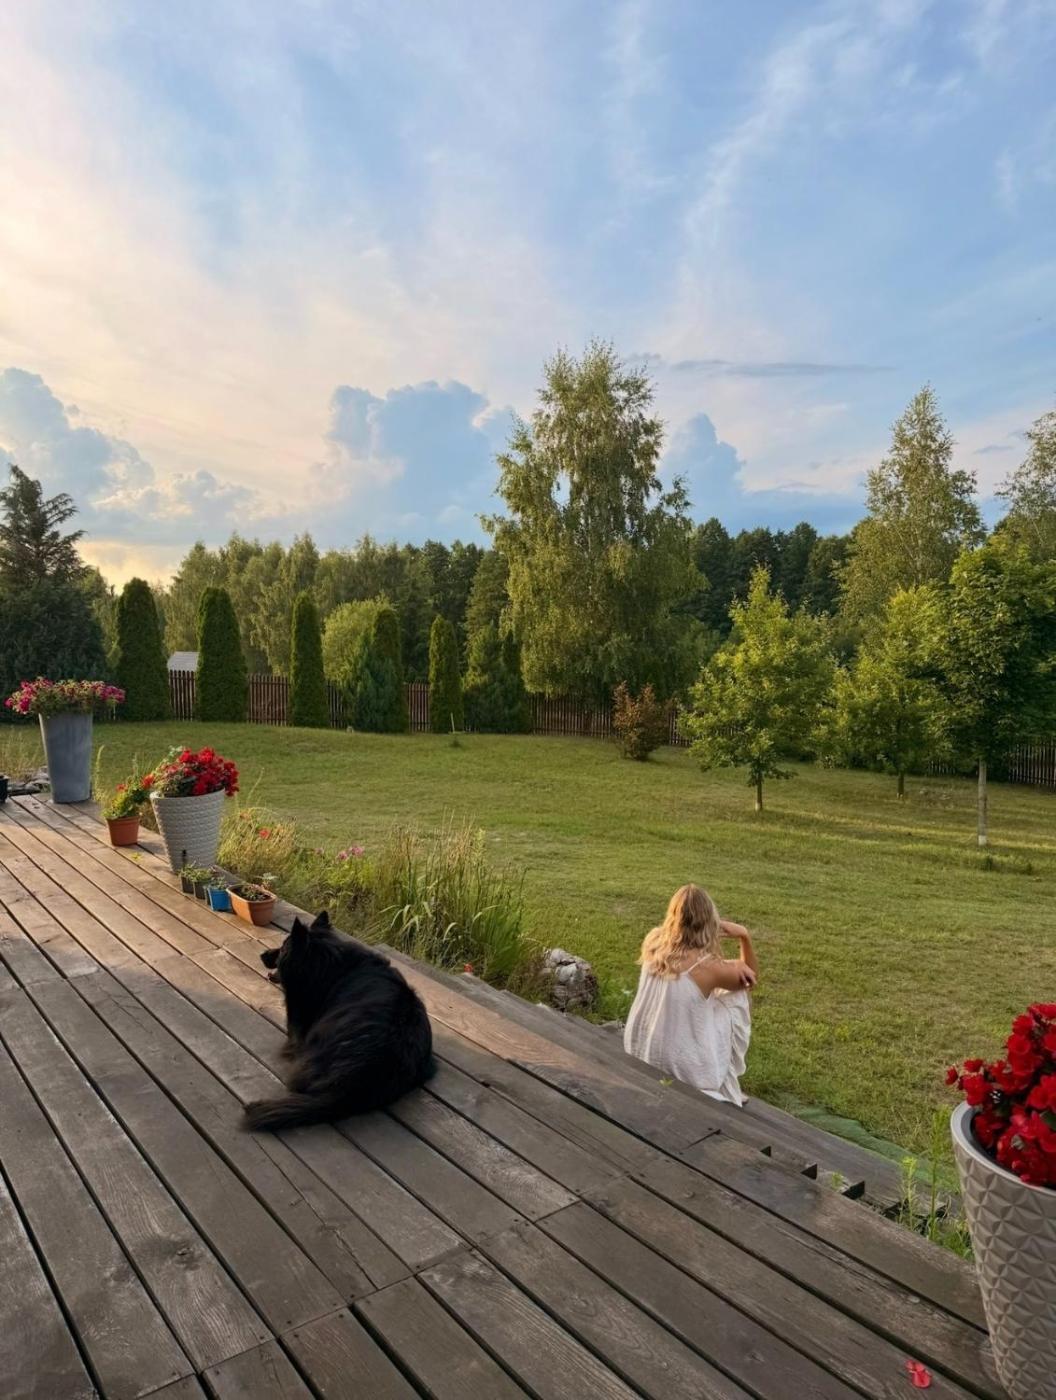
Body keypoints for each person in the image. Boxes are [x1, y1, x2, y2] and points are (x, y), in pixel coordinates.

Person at [623, 883, 756, 1106]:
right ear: (709, 920)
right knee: (736, 998)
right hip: (683, 1067)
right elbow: (750, 978)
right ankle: (726, 1086)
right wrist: (744, 936)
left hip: (641, 1049)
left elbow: (694, 967)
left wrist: (730, 964)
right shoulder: (707, 968)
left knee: (708, 995)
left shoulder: (654, 941)